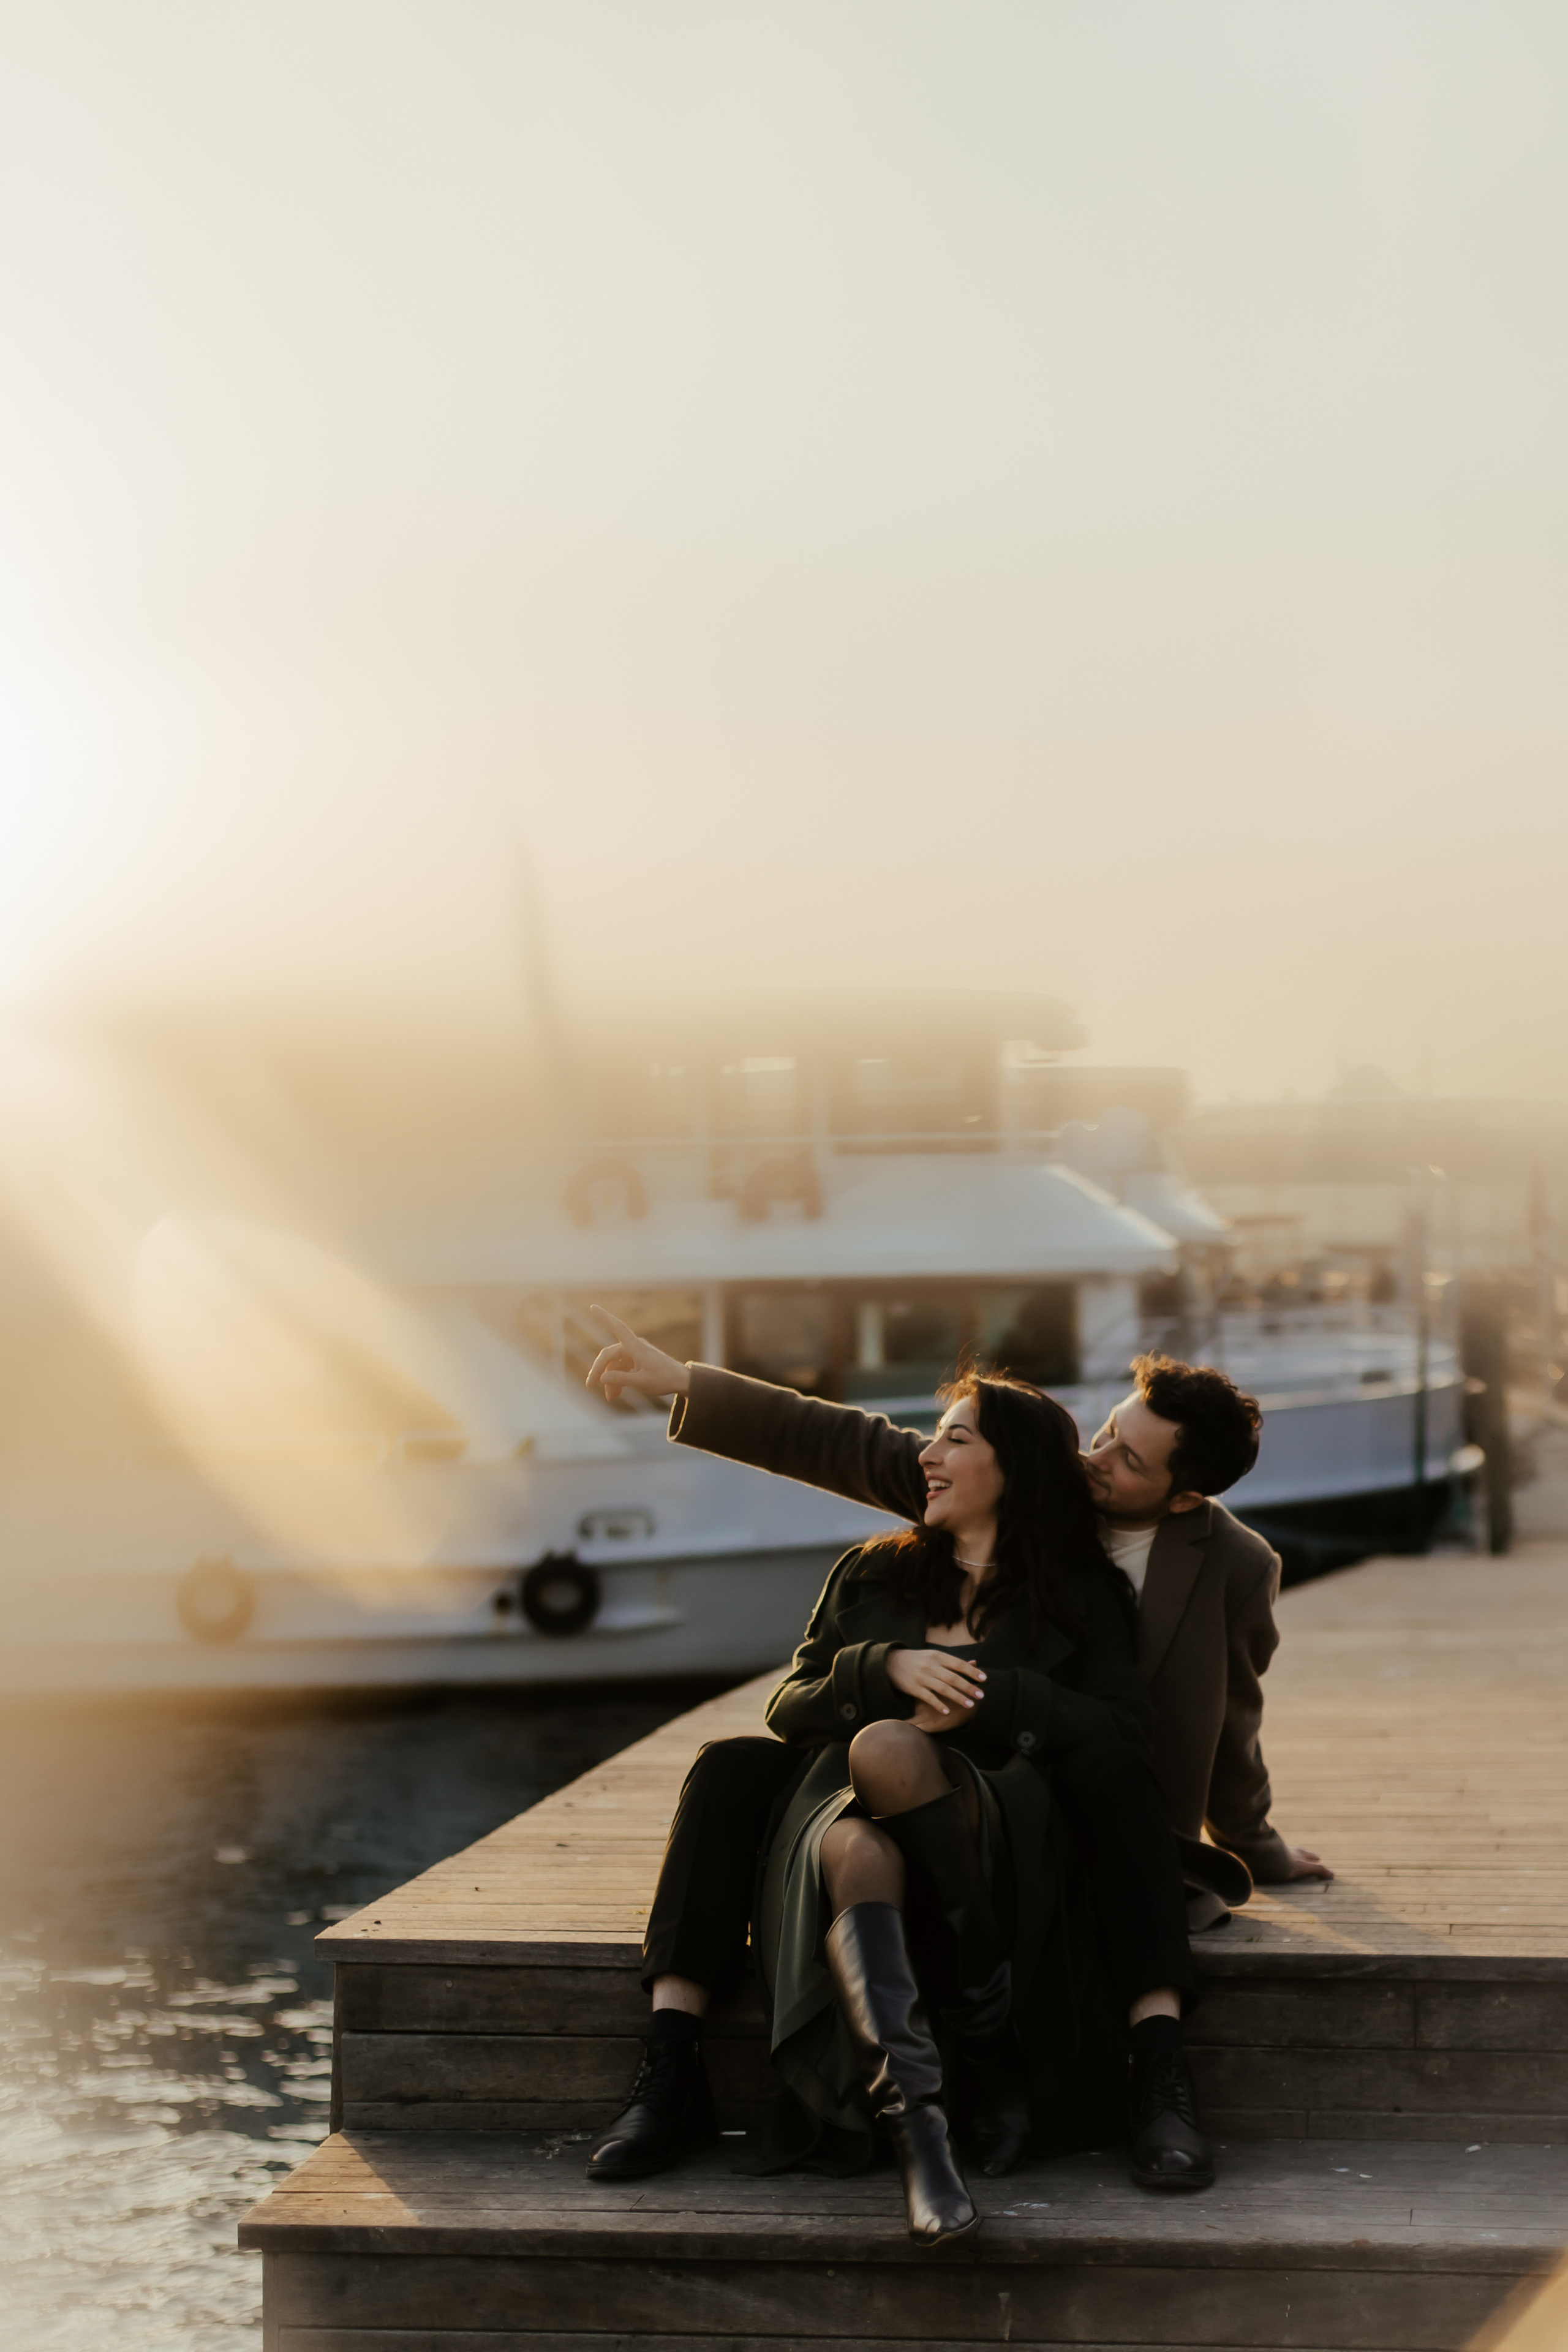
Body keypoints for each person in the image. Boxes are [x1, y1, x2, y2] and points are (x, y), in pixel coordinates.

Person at [582, 1330, 1213, 2236]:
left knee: (916, 1774)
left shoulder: (1079, 1596)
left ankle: (1151, 2070)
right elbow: (790, 1703)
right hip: (839, 1817)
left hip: (986, 1824)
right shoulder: (875, 1569)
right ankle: (674, 2064)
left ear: (1012, 1468)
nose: (928, 1452)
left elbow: (1122, 1731)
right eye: (935, 1435)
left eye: (957, 1439)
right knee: (739, 1768)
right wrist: (885, 1668)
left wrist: (990, 1700)